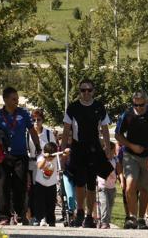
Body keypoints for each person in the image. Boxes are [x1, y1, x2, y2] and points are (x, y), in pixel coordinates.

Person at [62, 79, 112, 228]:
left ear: (93, 91)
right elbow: (66, 130)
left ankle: (90, 216)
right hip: (78, 148)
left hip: (94, 148)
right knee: (79, 182)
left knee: (91, 183)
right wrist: (64, 150)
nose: (86, 93)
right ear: (79, 92)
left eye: (89, 90)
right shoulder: (73, 107)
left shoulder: (99, 107)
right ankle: (80, 211)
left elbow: (104, 129)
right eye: (83, 90)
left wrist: (108, 148)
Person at [115, 91, 148, 229]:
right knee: (130, 184)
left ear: (147, 103)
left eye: (141, 105)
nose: (138, 107)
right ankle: (131, 217)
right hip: (130, 154)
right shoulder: (127, 115)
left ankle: (141, 218)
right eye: (135, 105)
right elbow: (118, 135)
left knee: (144, 188)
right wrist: (131, 145)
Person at [0, 87, 41, 225]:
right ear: (5, 99)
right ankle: (4, 216)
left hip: (20, 156)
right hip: (3, 156)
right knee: (3, 187)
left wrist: (37, 147)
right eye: (13, 99)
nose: (16, 101)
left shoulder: (23, 114)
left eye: (17, 99)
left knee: (20, 186)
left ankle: (20, 214)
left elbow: (32, 131)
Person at [27, 108, 59, 226]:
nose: (36, 122)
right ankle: (34, 216)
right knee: (33, 192)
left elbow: (54, 149)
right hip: (32, 164)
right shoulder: (28, 133)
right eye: (33, 120)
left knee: (46, 192)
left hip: (46, 165)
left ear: (42, 120)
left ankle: (46, 217)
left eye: (38, 119)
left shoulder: (48, 133)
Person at [33, 142, 60, 227]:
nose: (51, 158)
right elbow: (40, 166)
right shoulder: (41, 157)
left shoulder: (55, 157)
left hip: (51, 184)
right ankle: (40, 218)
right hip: (40, 184)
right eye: (50, 156)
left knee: (51, 203)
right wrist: (45, 158)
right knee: (40, 202)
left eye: (53, 156)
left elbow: (63, 154)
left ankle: (51, 220)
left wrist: (66, 151)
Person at [97, 142, 118, 229]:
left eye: (109, 150)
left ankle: (105, 221)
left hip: (112, 187)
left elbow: (119, 170)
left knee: (110, 205)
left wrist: (121, 180)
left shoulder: (115, 160)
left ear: (113, 151)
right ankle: (104, 222)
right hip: (102, 186)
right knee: (104, 204)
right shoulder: (101, 160)